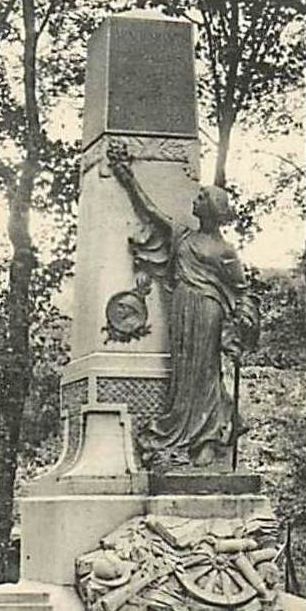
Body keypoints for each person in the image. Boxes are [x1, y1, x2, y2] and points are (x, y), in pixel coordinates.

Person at [109, 146, 258, 467]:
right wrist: (127, 177)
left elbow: (242, 291)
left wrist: (244, 321)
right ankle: (186, 435)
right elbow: (150, 212)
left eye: (202, 197)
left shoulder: (224, 250)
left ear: (214, 210)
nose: (195, 198)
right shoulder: (183, 236)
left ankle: (206, 438)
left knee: (203, 373)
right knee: (184, 375)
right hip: (182, 307)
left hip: (208, 310)